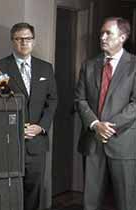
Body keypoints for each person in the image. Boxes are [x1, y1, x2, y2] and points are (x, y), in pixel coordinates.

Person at [0, 22, 57, 210]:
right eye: (19, 39)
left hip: (37, 142)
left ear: (33, 41)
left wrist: (41, 126)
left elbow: (52, 101)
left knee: (34, 191)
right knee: (8, 191)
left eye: (27, 39)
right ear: (13, 42)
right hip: (9, 142)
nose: (24, 42)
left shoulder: (46, 68)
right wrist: (17, 128)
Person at [75, 17, 136, 210]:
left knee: (126, 201)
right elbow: (80, 100)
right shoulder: (89, 65)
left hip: (124, 143)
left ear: (123, 37)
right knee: (90, 203)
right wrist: (95, 125)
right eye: (101, 33)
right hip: (93, 141)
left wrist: (109, 127)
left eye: (108, 33)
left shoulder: (134, 65)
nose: (102, 37)